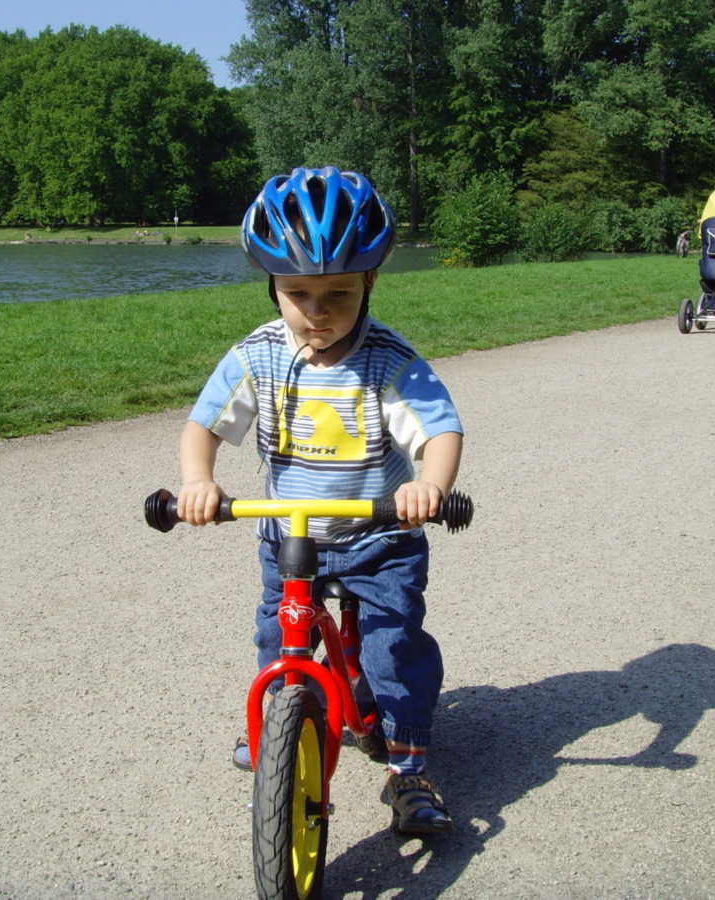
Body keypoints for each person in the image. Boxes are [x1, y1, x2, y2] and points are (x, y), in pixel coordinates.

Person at [176, 166, 464, 833]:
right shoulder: (258, 358)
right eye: (298, 292)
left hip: (381, 537)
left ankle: (410, 768)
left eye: (338, 292)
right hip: (291, 538)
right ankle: (279, 720)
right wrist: (198, 479)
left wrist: (430, 485)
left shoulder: (388, 361)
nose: (318, 311)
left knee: (391, 650)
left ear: (370, 284)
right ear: (271, 287)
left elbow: (439, 429)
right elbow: (204, 428)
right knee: (280, 636)